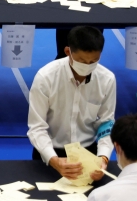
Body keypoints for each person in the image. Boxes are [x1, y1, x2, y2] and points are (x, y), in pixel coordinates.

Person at [28, 26, 114, 182]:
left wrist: (103, 158)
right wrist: (54, 161)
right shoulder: (45, 78)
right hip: (50, 153)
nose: (87, 66)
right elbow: (37, 127)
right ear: (68, 52)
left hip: (89, 153)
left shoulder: (107, 79)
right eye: (82, 61)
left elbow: (106, 123)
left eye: (93, 61)